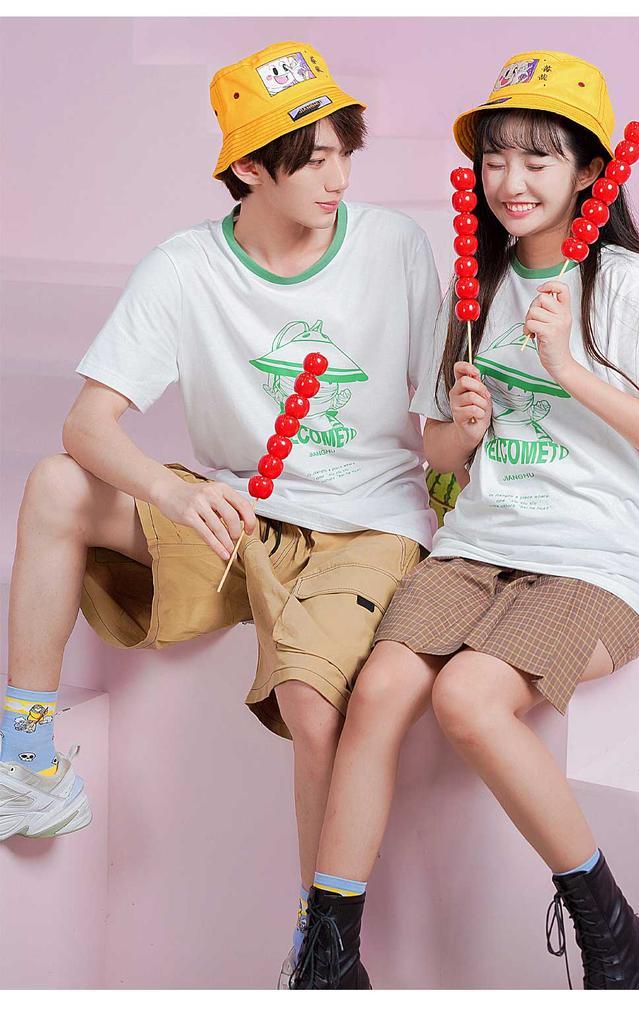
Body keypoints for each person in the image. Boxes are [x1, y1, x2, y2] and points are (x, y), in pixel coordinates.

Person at [0, 41, 441, 987]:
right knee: (55, 482)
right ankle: (23, 760)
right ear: (248, 169)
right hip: (237, 519)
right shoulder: (185, 266)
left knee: (313, 705)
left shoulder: (395, 247)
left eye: (343, 153)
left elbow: (438, 420)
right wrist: (176, 490)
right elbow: (87, 424)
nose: (338, 178)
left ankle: (317, 952)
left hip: (367, 525)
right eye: (311, 160)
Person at [290, 50, 639, 990]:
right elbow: (439, 449)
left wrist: (568, 368)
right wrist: (463, 431)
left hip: (596, 557)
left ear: (589, 172)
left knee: (467, 698)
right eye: (497, 157)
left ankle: (617, 938)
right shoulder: (477, 286)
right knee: (377, 690)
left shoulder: (622, 281)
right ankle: (327, 959)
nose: (511, 179)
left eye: (539, 158)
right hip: (479, 545)